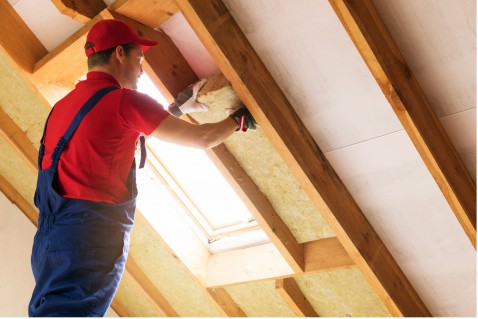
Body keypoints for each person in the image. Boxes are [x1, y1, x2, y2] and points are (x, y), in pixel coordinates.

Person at [28, 19, 256, 317]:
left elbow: (114, 137)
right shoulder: (125, 101)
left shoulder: (64, 106)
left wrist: (175, 110)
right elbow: (203, 138)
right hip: (89, 240)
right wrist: (238, 120)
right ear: (119, 54)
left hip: (49, 245)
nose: (140, 69)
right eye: (139, 59)